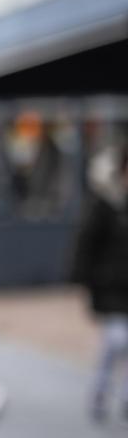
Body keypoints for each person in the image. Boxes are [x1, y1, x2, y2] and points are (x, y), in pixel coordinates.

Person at [71, 144, 128, 423]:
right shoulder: (104, 205)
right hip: (110, 286)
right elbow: (86, 244)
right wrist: (84, 280)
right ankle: (100, 392)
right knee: (117, 341)